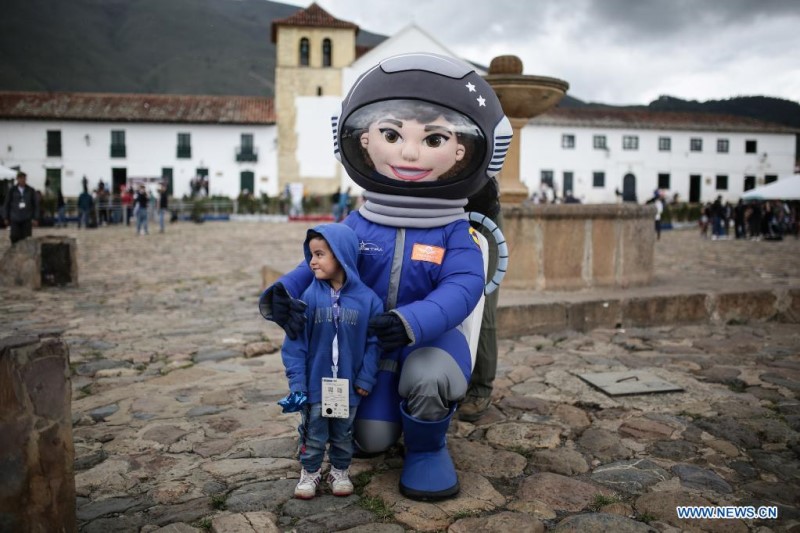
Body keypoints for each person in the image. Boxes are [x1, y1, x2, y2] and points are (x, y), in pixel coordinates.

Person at [261, 53, 511, 500]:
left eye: (434, 138)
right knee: (371, 439)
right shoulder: (359, 224)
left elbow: (464, 286)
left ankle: (427, 450)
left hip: (429, 341)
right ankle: (382, 418)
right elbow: (319, 260)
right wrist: (284, 293)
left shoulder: (455, 231)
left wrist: (411, 321)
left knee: (429, 376)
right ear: (359, 141)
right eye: (392, 134)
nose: (410, 152)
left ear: (466, 151)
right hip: (370, 348)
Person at [274, 224, 383, 500]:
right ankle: (309, 472)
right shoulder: (308, 298)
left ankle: (339, 471)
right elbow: (294, 345)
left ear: (342, 255)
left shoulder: (369, 301)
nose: (312, 261)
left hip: (348, 386)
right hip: (314, 386)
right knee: (313, 433)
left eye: (320, 254)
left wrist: (366, 378)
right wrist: (298, 383)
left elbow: (375, 343)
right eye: (311, 254)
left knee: (344, 433)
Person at [459, 176, 503, 422]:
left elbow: (484, 194)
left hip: (483, 218)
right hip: (442, 217)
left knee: (481, 303)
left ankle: (480, 389)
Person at [3, 171, 39, 244]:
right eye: (21, 178)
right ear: (17, 179)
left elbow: (36, 205)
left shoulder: (30, 190)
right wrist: (5, 217)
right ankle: (15, 251)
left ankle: (25, 253)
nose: (22, 180)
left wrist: (35, 218)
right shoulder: (12, 190)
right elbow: (6, 204)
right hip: (15, 218)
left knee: (26, 238)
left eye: (24, 178)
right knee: (14, 236)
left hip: (27, 218)